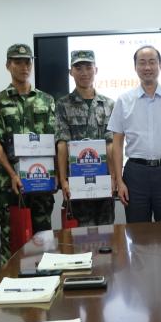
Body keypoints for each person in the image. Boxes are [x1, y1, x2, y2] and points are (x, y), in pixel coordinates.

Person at [108, 45, 161, 223]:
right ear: (135, 67)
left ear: (160, 65)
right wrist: (120, 181)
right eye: (142, 63)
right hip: (135, 174)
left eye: (152, 62)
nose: (147, 67)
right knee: (137, 232)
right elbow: (117, 144)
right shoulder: (124, 100)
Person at [0, 43, 56, 265]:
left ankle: (46, 282)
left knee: (43, 238)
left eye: (28, 62)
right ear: (8, 65)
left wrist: (55, 173)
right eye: (18, 62)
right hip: (11, 184)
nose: (24, 67)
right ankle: (10, 285)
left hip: (41, 182)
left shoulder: (46, 100)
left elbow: (53, 140)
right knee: (13, 239)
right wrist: (12, 174)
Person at [55, 50, 116, 227]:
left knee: (106, 234)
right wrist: (63, 180)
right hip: (76, 183)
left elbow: (111, 144)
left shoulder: (109, 104)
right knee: (78, 237)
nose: (84, 73)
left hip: (103, 182)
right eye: (78, 68)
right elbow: (62, 144)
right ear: (71, 72)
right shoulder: (63, 104)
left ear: (96, 70)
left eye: (88, 67)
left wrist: (114, 177)